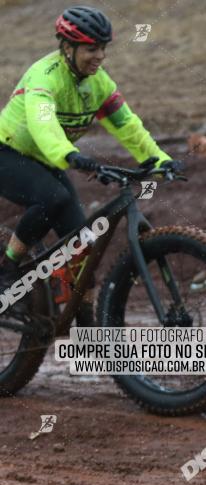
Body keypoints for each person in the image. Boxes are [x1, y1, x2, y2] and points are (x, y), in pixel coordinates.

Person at [0, 6, 184, 305]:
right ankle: (7, 268)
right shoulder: (44, 78)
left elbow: (127, 125)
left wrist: (159, 160)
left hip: (50, 159)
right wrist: (70, 155)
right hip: (8, 152)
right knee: (53, 198)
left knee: (83, 252)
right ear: (68, 48)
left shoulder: (99, 83)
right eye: (92, 49)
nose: (100, 56)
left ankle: (85, 333)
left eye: (103, 49)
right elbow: (42, 123)